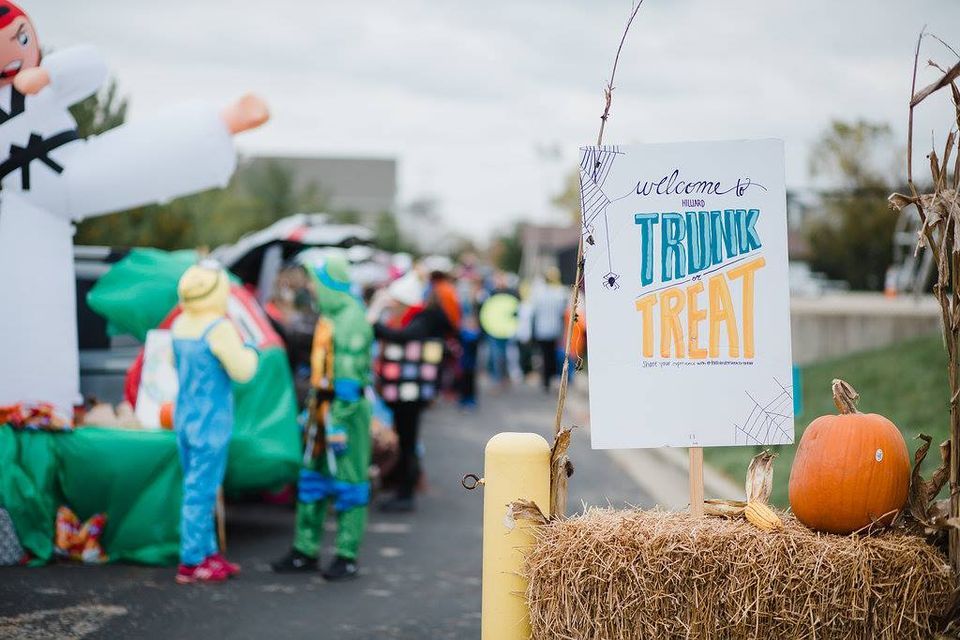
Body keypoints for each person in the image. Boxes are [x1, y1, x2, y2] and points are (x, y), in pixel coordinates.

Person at [0, 1, 269, 422]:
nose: (15, 50)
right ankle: (36, 402)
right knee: (29, 301)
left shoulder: (41, 89)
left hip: (72, 170)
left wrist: (49, 72)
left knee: (130, 157)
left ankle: (220, 123)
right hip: (25, 207)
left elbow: (91, 65)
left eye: (21, 37)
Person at [273, 255, 373, 581]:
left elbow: (349, 377)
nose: (312, 290)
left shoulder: (352, 319)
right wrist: (312, 412)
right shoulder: (330, 316)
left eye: (316, 283)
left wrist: (338, 421)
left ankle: (346, 556)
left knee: (349, 483)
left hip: (346, 414)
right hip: (322, 411)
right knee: (312, 481)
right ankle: (305, 550)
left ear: (330, 284)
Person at [172, 262, 259, 584]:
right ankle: (192, 561)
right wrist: (250, 348)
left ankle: (207, 554)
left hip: (184, 419)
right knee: (201, 493)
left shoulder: (180, 324)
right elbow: (243, 370)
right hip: (211, 424)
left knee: (199, 490)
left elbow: (171, 363)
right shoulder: (218, 327)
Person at [368, 271, 451, 512]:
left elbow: (400, 337)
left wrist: (375, 316)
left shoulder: (421, 319)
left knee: (408, 440)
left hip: (411, 394)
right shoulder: (419, 317)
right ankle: (404, 488)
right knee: (406, 439)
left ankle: (406, 493)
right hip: (406, 393)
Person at [530, 268, 568, 392]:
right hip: (554, 328)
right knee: (553, 354)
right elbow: (563, 311)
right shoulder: (560, 293)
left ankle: (546, 380)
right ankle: (553, 378)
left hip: (542, 329)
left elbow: (534, 311)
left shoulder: (540, 294)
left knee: (545, 355)